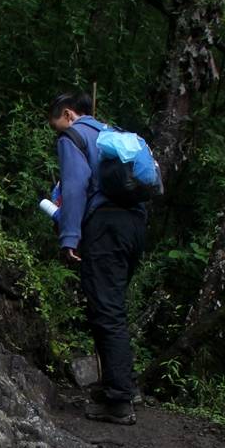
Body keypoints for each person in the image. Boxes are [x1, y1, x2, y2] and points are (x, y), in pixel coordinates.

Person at [49, 90, 145, 425]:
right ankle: (122, 388)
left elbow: (75, 187)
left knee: (106, 309)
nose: (58, 132)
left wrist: (70, 236)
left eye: (57, 124)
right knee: (113, 305)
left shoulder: (74, 136)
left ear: (69, 114)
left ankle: (119, 401)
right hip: (134, 225)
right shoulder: (112, 133)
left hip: (104, 226)